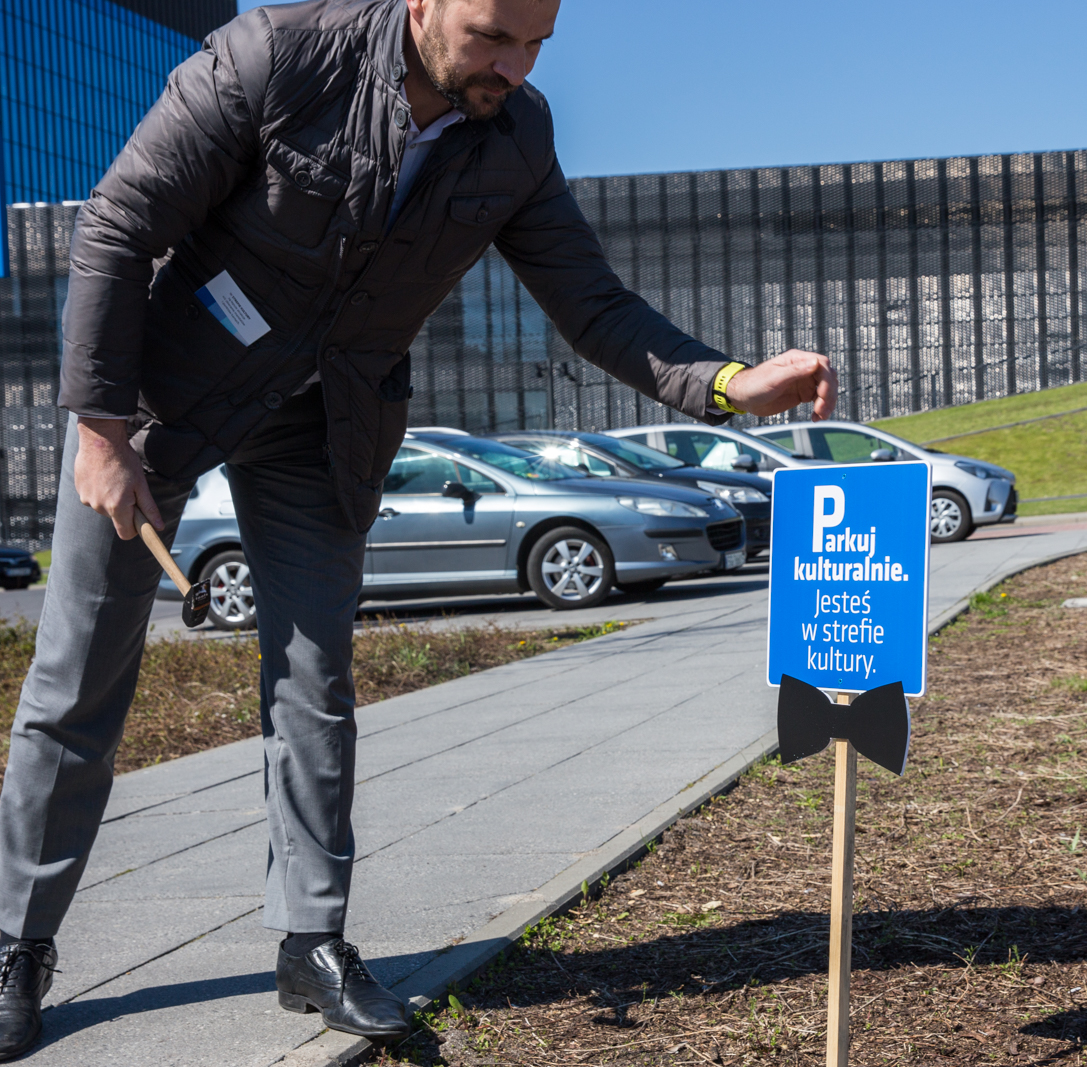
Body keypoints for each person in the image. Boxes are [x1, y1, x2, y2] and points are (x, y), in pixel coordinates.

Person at [0, 0, 836, 1057]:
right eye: (493, 35)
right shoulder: (274, 59)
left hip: (326, 422)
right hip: (166, 402)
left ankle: (311, 939)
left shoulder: (516, 132)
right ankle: (15, 942)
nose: (514, 65)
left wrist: (724, 381)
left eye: (536, 43)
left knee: (315, 680)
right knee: (76, 680)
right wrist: (102, 430)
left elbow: (594, 305)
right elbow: (118, 224)